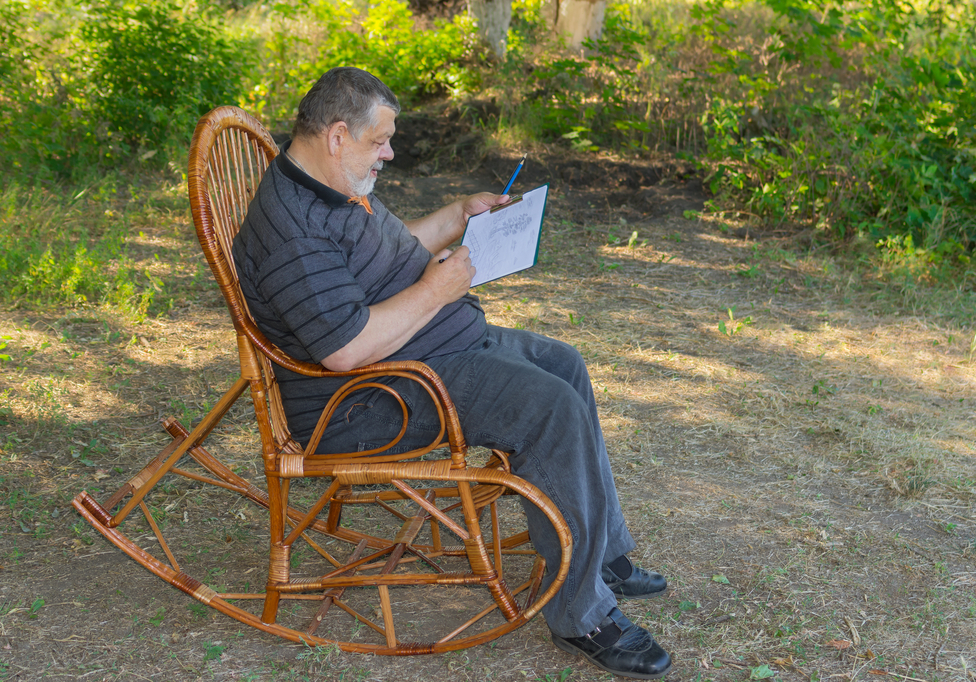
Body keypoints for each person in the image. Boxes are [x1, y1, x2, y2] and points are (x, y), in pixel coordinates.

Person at [232, 66, 673, 680]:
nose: (389, 153)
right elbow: (345, 350)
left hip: (421, 356)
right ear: (337, 135)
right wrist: (438, 292)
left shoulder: (333, 183)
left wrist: (459, 213)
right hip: (366, 399)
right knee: (550, 408)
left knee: (563, 366)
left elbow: (390, 251)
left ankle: (603, 558)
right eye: (380, 140)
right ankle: (584, 617)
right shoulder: (293, 230)